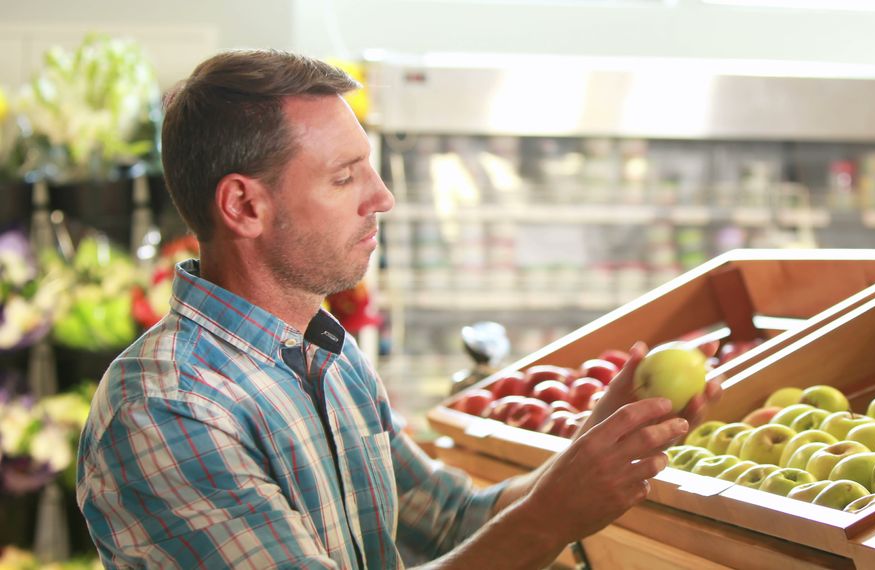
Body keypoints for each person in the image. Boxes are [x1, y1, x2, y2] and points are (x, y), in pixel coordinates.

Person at [76, 49, 722, 569]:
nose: (381, 196)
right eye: (344, 176)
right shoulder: (166, 407)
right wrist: (551, 517)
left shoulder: (329, 357)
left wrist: (596, 447)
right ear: (245, 206)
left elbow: (450, 522)